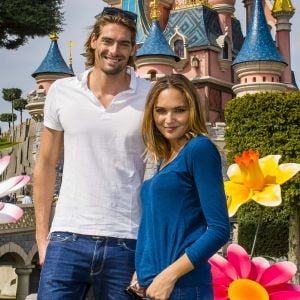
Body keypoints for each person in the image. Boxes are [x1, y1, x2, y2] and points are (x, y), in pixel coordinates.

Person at [34, 7, 151, 299]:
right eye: (108, 41)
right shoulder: (62, 92)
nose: (115, 50)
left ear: (134, 49)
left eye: (124, 44)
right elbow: (46, 164)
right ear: (93, 41)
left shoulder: (150, 96)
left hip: (128, 241)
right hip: (67, 236)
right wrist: (41, 235)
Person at [129, 74, 230, 300]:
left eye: (179, 110)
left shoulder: (199, 149)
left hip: (182, 288)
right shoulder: (165, 160)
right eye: (161, 111)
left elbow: (219, 229)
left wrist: (168, 277)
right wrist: (141, 271)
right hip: (154, 288)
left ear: (192, 110)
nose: (169, 119)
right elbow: (157, 226)